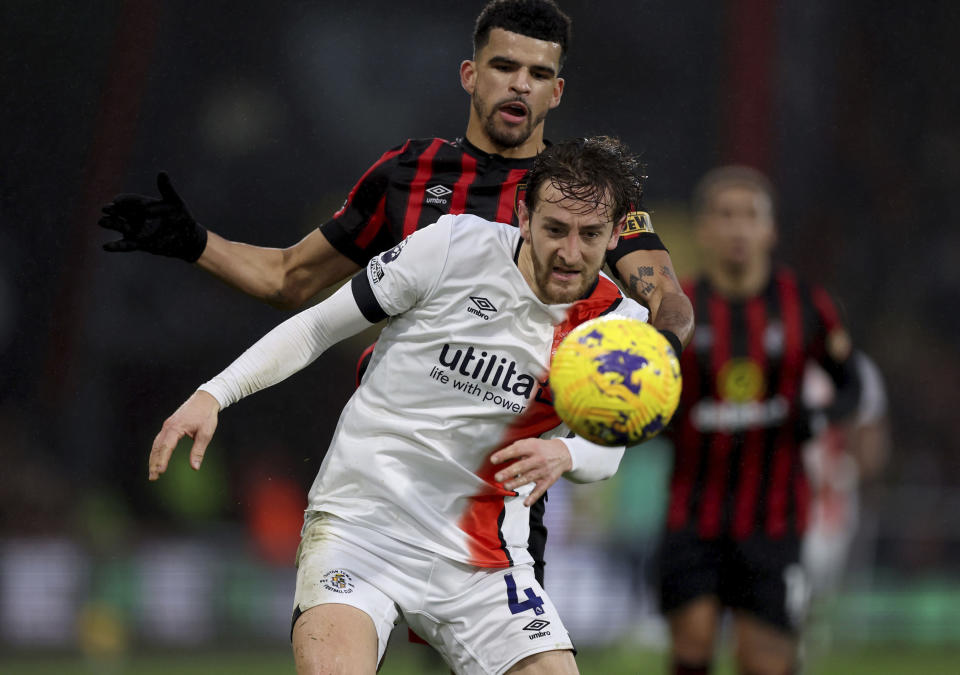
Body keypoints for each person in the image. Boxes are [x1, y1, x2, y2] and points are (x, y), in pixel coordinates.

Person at [99, 0, 693, 589]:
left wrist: (656, 358)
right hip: (386, 479)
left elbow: (666, 298)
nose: (520, 85)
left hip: (500, 499)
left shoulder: (578, 201)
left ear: (556, 92)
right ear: (470, 74)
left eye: (538, 74)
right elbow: (291, 279)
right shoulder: (407, 175)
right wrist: (195, 243)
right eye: (504, 66)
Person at [149, 136, 649, 674]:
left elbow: (608, 452)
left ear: (616, 234)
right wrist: (214, 393)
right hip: (362, 529)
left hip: (485, 562)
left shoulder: (617, 329)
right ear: (524, 216)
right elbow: (318, 326)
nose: (570, 252)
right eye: (555, 229)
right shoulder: (453, 245)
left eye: (590, 235)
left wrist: (567, 456)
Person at [656, 166, 861, 675]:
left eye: (749, 216)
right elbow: (646, 393)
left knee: (764, 661)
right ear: (703, 230)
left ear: (770, 230)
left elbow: (851, 384)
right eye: (724, 216)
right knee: (693, 645)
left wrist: (817, 419)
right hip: (691, 513)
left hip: (775, 519)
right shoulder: (673, 310)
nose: (737, 228)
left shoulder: (806, 305)